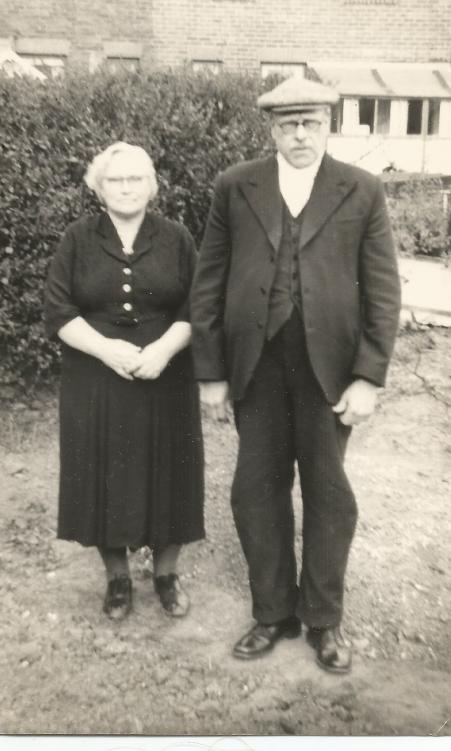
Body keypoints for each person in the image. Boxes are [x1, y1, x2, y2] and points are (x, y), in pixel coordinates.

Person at [191, 77, 401, 673]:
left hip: (328, 370)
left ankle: (324, 621)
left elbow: (383, 292)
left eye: (310, 123)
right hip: (254, 366)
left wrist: (368, 377)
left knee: (328, 492)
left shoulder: (361, 190)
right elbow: (209, 280)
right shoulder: (236, 186)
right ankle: (273, 612)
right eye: (288, 126)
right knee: (254, 488)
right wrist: (211, 372)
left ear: (328, 124)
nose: (300, 135)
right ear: (272, 130)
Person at [45, 141, 204, 621]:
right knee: (100, 470)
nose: (127, 187)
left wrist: (162, 351)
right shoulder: (77, 238)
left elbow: (197, 307)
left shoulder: (177, 238)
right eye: (116, 179)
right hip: (95, 376)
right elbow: (58, 310)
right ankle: (117, 578)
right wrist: (106, 349)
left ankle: (166, 575)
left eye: (137, 178)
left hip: (167, 373)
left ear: (152, 186)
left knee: (171, 469)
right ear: (99, 188)